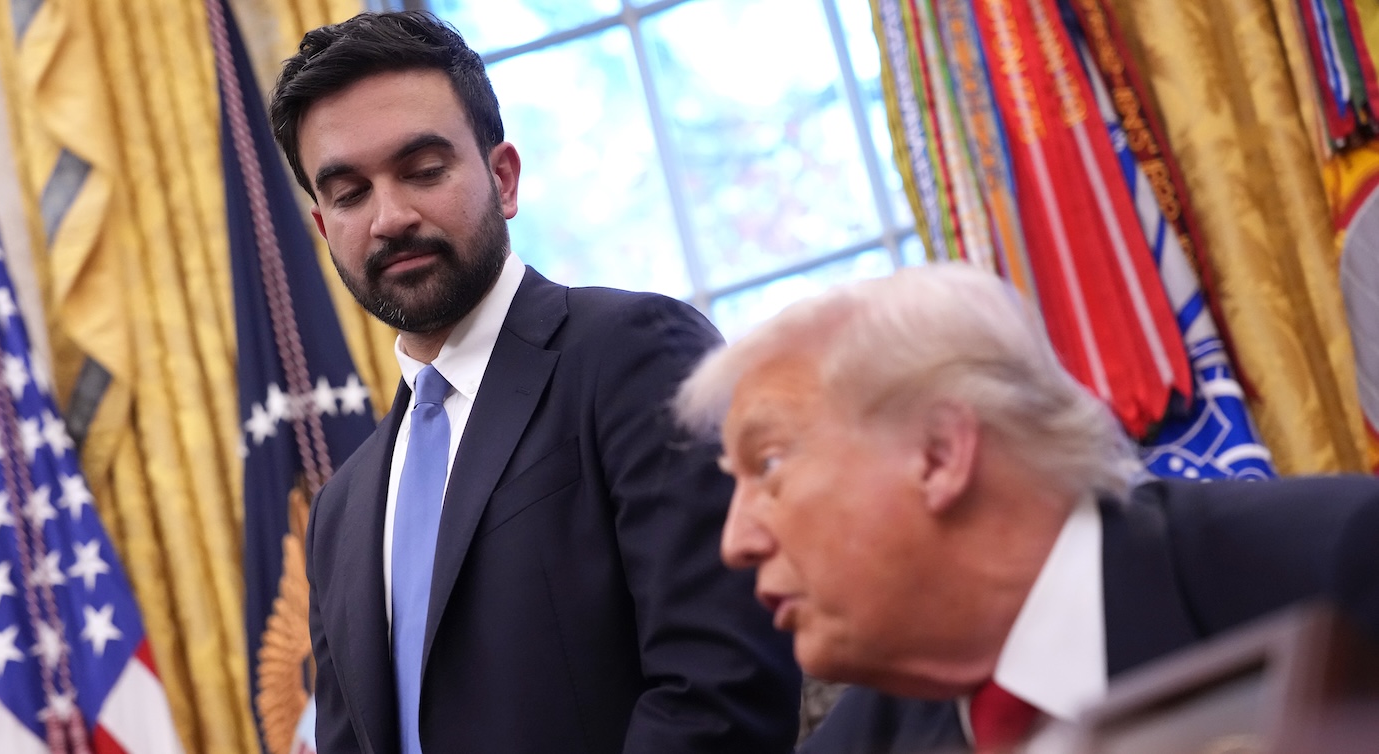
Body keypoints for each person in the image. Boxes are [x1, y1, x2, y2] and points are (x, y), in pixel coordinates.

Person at [268, 10, 801, 754]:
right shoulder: (340, 513)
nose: (390, 217)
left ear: (503, 177)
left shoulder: (633, 355)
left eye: (423, 171)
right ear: (325, 230)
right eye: (351, 193)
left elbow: (722, 687)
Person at [673, 262, 1379, 753]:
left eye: (768, 465)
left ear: (940, 454)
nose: (735, 540)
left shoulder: (1340, 570)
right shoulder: (857, 744)